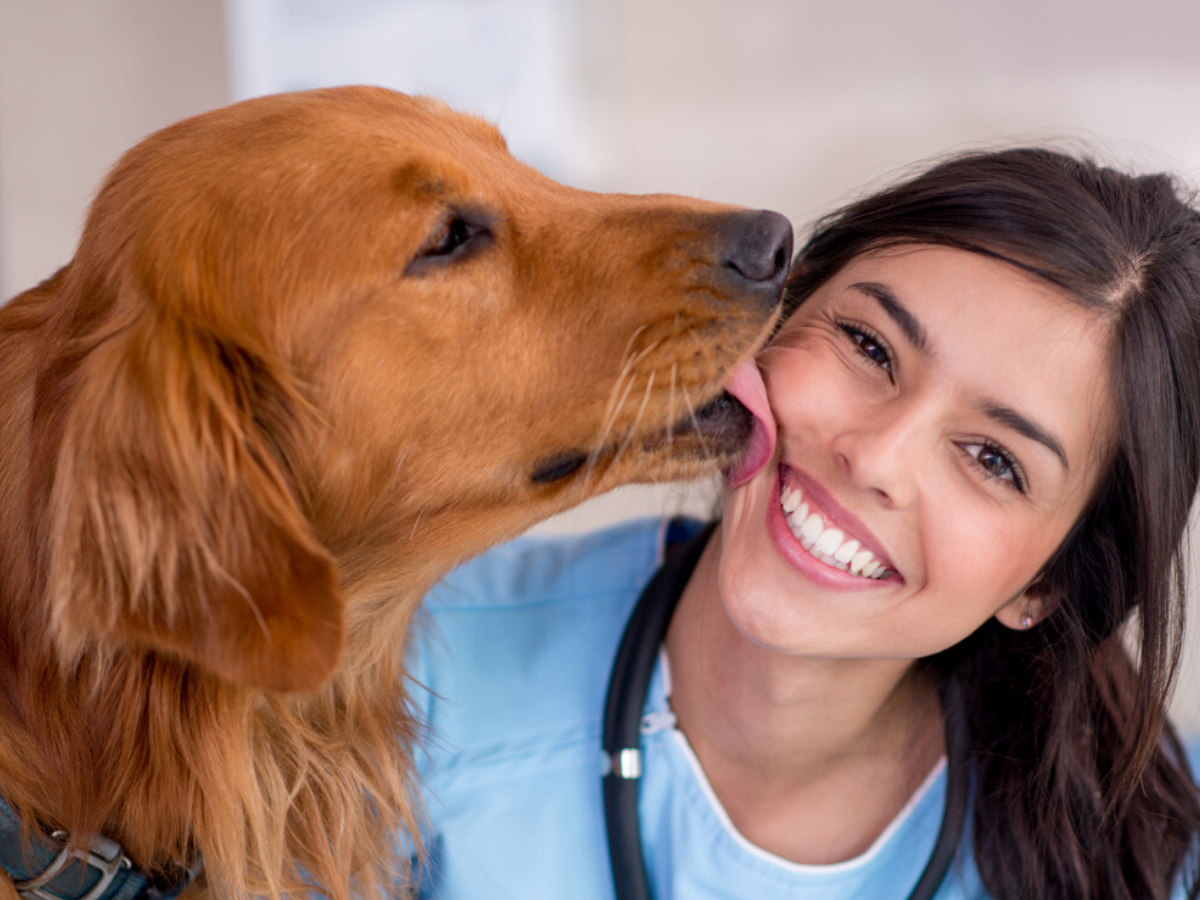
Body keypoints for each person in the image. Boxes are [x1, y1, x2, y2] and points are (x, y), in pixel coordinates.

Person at [408, 147, 1200, 899]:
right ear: (773, 321)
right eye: (867, 345)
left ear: (1046, 584)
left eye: (993, 460)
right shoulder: (412, 675)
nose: (875, 458)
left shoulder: (1159, 856)